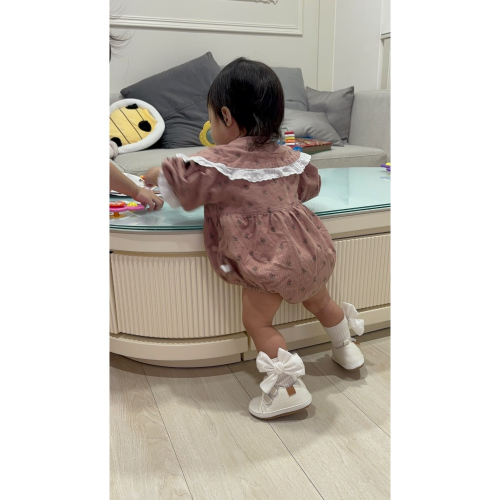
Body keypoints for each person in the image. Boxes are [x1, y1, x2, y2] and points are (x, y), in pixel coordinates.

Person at [143, 58, 365, 420]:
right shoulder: (288, 154)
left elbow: (179, 179)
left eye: (211, 118)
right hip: (311, 252)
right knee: (322, 302)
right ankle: (346, 348)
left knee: (259, 323)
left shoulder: (218, 161)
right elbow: (309, 187)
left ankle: (287, 389)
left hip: (269, 262)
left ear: (226, 116)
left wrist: (153, 174)